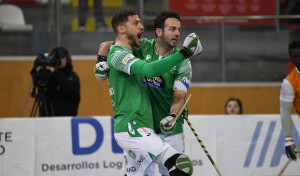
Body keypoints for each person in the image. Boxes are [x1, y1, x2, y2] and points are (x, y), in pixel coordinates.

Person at [95, 10, 196, 176]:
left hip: (166, 128)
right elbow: (111, 45)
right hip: (135, 126)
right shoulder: (141, 47)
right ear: (159, 31)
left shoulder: (182, 63)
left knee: (176, 166)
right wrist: (100, 60)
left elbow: (179, 97)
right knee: (179, 166)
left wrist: (173, 115)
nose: (177, 33)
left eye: (179, 29)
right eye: (172, 29)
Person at [30, 47, 80, 117]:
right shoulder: (52, 75)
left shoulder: (73, 77)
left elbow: (71, 89)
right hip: (48, 118)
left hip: (66, 118)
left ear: (67, 58)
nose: (57, 60)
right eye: (55, 58)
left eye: (60, 57)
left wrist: (55, 72)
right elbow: (48, 95)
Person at [280, 40, 300, 160]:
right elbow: (285, 111)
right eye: (296, 57)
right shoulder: (289, 83)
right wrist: (288, 139)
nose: (299, 59)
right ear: (291, 59)